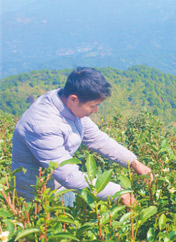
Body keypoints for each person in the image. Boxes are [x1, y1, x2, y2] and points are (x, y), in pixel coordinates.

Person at [12, 67, 154, 207]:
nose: (95, 111)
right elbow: (68, 176)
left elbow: (97, 139)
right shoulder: (44, 126)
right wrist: (117, 192)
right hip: (40, 195)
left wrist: (134, 162)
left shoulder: (67, 104)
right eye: (93, 106)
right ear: (73, 99)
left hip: (62, 185)